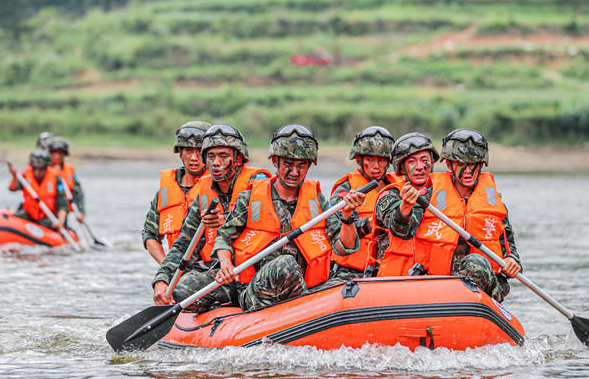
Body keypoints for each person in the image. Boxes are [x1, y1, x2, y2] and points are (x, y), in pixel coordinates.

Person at [207, 124, 365, 312]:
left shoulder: (318, 200)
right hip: (259, 290)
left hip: (306, 288)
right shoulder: (250, 197)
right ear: (275, 162)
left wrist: (347, 216)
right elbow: (224, 237)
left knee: (351, 280)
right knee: (285, 263)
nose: (295, 172)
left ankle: (309, 309)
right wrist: (225, 263)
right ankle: (306, 309)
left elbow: (344, 248)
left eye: (302, 166)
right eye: (288, 165)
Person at [371, 130, 520, 302]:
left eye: (473, 164)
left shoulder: (492, 201)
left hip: (475, 282)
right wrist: (405, 206)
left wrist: (511, 260)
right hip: (419, 282)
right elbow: (404, 230)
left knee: (476, 264)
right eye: (460, 164)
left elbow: (508, 246)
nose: (468, 170)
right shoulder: (425, 194)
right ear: (449, 165)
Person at [152, 124, 271, 305]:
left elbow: (265, 221)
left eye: (223, 156)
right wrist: (162, 279)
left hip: (257, 269)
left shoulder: (258, 183)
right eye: (211, 156)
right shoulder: (205, 193)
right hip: (221, 272)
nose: (216, 162)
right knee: (181, 291)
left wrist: (226, 220)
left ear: (238, 159)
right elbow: (185, 243)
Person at [328, 126, 402, 280]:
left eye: (381, 160)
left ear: (388, 161)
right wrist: (352, 216)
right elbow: (341, 246)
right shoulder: (345, 190)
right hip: (351, 272)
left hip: (392, 270)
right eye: (370, 159)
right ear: (359, 160)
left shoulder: (400, 187)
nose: (376, 166)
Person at [141, 121, 210, 264]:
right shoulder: (165, 192)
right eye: (188, 151)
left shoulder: (220, 187)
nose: (194, 158)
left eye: (199, 151)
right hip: (178, 268)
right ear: (180, 152)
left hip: (212, 268)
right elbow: (150, 234)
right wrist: (166, 267)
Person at [7, 148, 68, 230]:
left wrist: (61, 221)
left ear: (46, 168)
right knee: (13, 221)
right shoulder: (26, 176)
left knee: (51, 225)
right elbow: (12, 188)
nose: (37, 172)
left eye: (41, 169)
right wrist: (14, 176)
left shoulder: (56, 179)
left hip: (47, 217)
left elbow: (63, 205)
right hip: (29, 214)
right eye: (35, 169)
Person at [47, 137, 85, 224]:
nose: (57, 156)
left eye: (60, 153)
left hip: (62, 210)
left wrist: (81, 211)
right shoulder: (43, 169)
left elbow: (78, 192)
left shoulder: (70, 170)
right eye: (54, 153)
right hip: (45, 209)